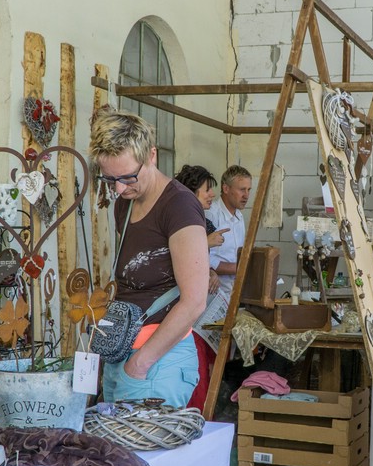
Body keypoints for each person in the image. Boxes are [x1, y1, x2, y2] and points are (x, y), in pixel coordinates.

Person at [89, 108, 208, 407]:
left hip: (157, 363)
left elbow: (194, 300)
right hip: (122, 354)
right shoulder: (124, 204)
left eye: (128, 177)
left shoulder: (179, 205)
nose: (119, 188)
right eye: (110, 179)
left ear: (151, 156)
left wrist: (140, 363)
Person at [175, 164, 226, 295]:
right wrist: (206, 243)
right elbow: (173, 258)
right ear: (191, 192)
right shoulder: (176, 221)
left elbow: (198, 262)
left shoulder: (206, 224)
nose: (212, 194)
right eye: (207, 189)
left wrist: (211, 273)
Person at [206, 165, 252, 298]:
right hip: (214, 294)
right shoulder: (211, 214)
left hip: (235, 292)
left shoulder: (239, 216)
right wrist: (238, 268)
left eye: (249, 190)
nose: (246, 195)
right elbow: (201, 256)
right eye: (242, 189)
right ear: (226, 189)